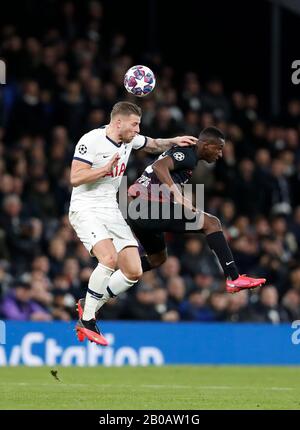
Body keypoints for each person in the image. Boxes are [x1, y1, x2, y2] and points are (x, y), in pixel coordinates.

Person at [69, 101, 197, 344]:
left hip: (110, 209)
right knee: (108, 259)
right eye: (135, 124)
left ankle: (90, 303)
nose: (138, 129)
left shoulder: (129, 140)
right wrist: (104, 170)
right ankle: (87, 319)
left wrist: (174, 140)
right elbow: (75, 177)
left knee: (133, 270)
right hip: (86, 207)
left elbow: (152, 144)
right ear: (119, 122)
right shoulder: (91, 140)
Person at [127, 126, 266, 293]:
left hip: (137, 210)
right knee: (212, 223)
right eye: (219, 148)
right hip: (146, 208)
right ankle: (234, 278)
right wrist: (178, 197)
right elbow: (159, 166)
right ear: (206, 145)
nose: (220, 154)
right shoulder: (189, 155)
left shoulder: (186, 153)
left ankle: (116, 275)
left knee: (157, 259)